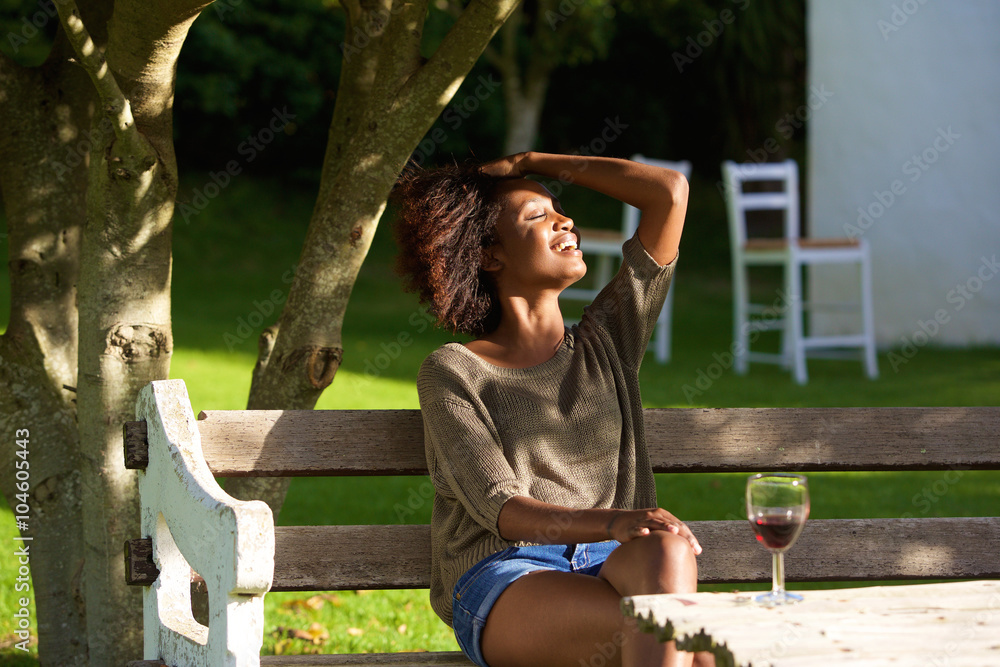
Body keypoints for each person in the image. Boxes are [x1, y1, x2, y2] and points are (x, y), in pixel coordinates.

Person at [394, 152, 708, 667]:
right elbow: (504, 509)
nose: (565, 221)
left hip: (620, 566)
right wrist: (615, 522)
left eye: (559, 208)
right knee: (691, 643)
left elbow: (669, 191)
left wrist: (533, 161)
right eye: (537, 216)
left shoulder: (610, 340)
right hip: (510, 575)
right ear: (490, 255)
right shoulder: (453, 371)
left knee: (669, 553)